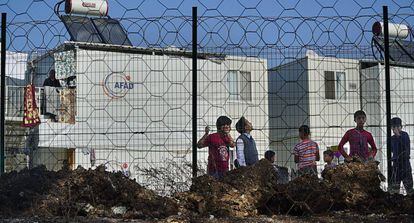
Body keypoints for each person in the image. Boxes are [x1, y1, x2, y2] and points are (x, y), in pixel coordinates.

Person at [389, 117, 413, 195]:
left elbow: (405, 147)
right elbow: (392, 150)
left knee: (409, 188)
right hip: (396, 165)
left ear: (401, 127)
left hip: (405, 164)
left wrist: (398, 135)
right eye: (394, 126)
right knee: (395, 189)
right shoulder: (391, 138)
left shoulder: (405, 135)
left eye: (398, 126)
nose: (396, 128)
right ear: (391, 127)